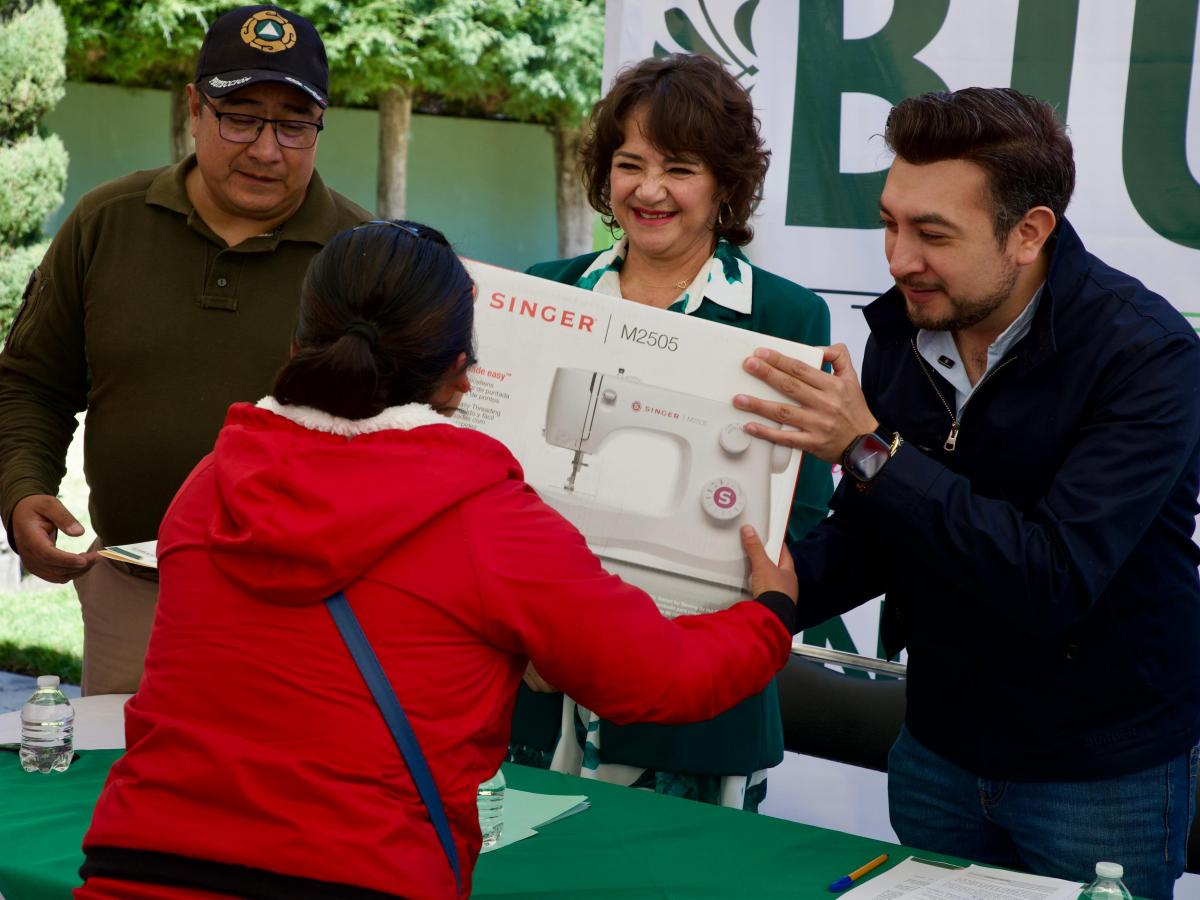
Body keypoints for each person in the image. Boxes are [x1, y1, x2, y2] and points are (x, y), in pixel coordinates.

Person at [75, 220, 800, 900]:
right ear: (460, 375)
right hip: (356, 877)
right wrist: (768, 617)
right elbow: (659, 679)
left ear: (300, 346)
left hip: (137, 866)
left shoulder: (211, 484)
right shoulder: (485, 518)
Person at [735, 87, 1200, 899]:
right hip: (936, 750)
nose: (899, 258)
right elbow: (878, 535)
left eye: (932, 234)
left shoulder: (1150, 355)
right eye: (890, 222)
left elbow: (1051, 577)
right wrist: (759, 589)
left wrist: (868, 451)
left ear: (1029, 233)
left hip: (1098, 774)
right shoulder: (905, 330)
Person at [0, 5, 370, 695]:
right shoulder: (106, 222)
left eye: (294, 125)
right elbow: (30, 383)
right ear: (195, 109)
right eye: (241, 117)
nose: (267, 149)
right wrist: (24, 491)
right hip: (133, 600)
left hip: (308, 614)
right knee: (121, 789)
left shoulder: (362, 257)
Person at [510, 53, 834, 812]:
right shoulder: (546, 289)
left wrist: (641, 628)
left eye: (679, 168)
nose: (648, 190)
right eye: (629, 164)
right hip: (535, 691)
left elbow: (802, 511)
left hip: (701, 696)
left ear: (725, 182)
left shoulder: (786, 318)